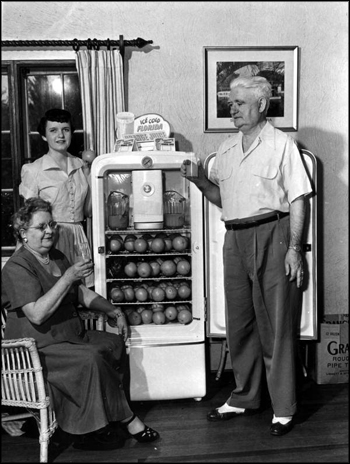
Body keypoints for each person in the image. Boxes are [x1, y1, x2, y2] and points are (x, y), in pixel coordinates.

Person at [181, 76, 313, 436]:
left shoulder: (282, 144)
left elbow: (299, 198)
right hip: (234, 238)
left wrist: (296, 250)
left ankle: (284, 406)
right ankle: (245, 397)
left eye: (239, 103)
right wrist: (199, 182)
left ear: (262, 105)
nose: (232, 109)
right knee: (239, 324)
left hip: (274, 234)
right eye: (231, 103)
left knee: (277, 325)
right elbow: (224, 198)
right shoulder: (225, 149)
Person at [2, 198, 160, 450]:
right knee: (91, 358)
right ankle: (121, 421)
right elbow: (37, 314)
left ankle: (100, 421)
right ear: (23, 233)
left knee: (112, 343)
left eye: (51, 224)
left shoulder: (56, 255)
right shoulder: (17, 267)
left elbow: (81, 294)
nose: (50, 231)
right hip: (35, 347)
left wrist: (113, 309)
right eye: (41, 227)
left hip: (67, 335)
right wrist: (68, 277)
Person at [19, 108, 93, 286]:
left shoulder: (81, 166)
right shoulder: (33, 170)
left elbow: (87, 211)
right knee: (55, 290)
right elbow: (28, 218)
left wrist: (90, 174)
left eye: (65, 130)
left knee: (83, 292)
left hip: (79, 237)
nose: (60, 135)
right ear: (44, 136)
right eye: (53, 130)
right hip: (49, 238)